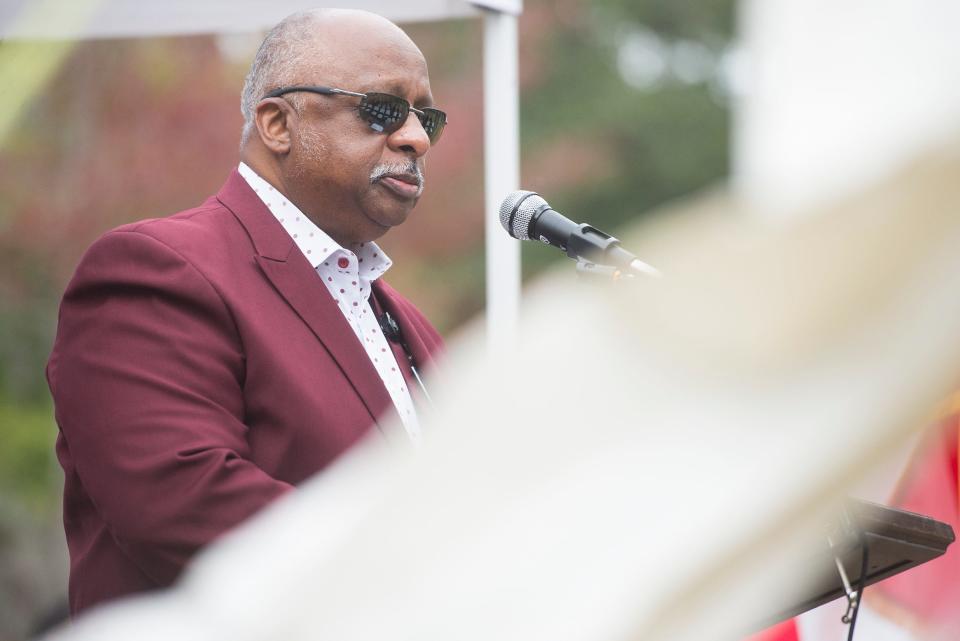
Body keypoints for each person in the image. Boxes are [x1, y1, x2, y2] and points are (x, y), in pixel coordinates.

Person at [46, 9, 445, 615]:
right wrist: (425, 567)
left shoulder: (404, 320)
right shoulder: (153, 270)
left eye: (427, 118)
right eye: (382, 110)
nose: (415, 137)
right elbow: (183, 504)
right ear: (278, 123)